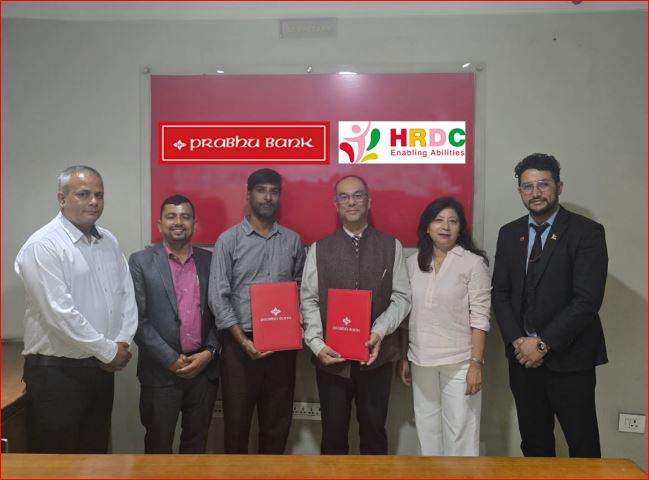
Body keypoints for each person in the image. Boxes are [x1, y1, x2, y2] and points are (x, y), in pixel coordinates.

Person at [14, 165, 137, 453]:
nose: (93, 201)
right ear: (61, 198)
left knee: (94, 457)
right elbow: (59, 314)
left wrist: (122, 341)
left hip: (101, 370)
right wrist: (108, 351)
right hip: (57, 375)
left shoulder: (109, 241)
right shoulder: (43, 245)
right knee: (56, 462)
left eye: (99, 195)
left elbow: (127, 296)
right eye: (83, 194)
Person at [492, 153, 608, 458]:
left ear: (559, 186)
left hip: (570, 360)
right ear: (520, 191)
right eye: (528, 186)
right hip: (523, 361)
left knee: (583, 448)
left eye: (543, 184)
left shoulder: (586, 232)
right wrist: (518, 342)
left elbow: (587, 300)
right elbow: (500, 293)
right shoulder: (509, 233)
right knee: (534, 446)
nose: (536, 192)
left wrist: (542, 345)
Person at [301, 175, 411, 455]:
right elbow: (309, 300)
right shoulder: (319, 248)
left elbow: (402, 297)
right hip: (331, 360)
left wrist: (379, 331)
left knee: (374, 437)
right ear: (336, 204)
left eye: (358, 195)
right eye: (344, 196)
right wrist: (317, 345)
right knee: (333, 438)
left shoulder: (391, 246)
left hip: (377, 359)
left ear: (369, 201)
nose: (351, 202)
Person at [209, 168, 306, 454]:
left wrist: (298, 319)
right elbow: (218, 297)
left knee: (277, 425)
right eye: (261, 190)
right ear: (248, 195)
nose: (268, 197)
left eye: (274, 191)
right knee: (236, 426)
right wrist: (243, 342)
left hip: (282, 348)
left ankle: (271, 473)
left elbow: (302, 287)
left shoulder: (293, 241)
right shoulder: (228, 240)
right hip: (240, 346)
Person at [399, 197, 491, 456]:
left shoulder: (473, 263)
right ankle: (431, 474)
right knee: (427, 431)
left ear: (461, 229)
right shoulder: (412, 263)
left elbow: (481, 318)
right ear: (427, 227)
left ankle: (461, 475)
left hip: (460, 362)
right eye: (438, 220)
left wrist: (476, 364)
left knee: (461, 432)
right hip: (421, 359)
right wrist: (404, 356)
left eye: (453, 221)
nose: (445, 226)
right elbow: (406, 315)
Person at [129, 195, 219, 454]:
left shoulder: (210, 261)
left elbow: (221, 313)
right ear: (160, 224)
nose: (178, 222)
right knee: (158, 448)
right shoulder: (141, 261)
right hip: (160, 372)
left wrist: (209, 352)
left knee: (196, 447)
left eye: (185, 217)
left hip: (203, 371)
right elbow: (137, 320)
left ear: (194, 224)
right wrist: (170, 359)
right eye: (171, 216)